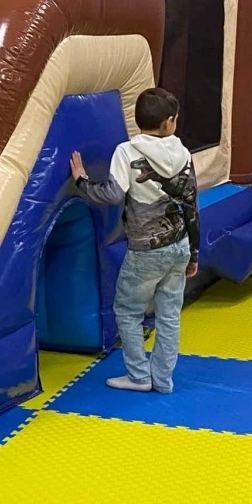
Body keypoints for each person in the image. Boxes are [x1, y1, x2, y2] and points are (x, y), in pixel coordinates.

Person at [69, 87, 200, 395]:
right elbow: (191, 204)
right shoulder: (183, 153)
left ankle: (139, 376)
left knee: (128, 312)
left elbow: (111, 195)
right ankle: (163, 380)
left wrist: (81, 181)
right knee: (169, 316)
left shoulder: (127, 152)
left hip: (146, 251)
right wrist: (194, 252)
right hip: (179, 244)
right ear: (168, 122)